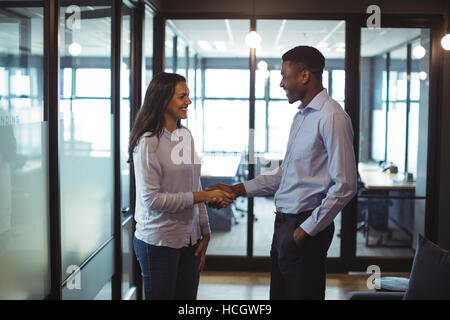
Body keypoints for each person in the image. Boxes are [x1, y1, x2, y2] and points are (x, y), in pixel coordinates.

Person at [207, 46, 357, 300]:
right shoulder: (301, 117)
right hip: (284, 226)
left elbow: (346, 185)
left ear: (305, 76)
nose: (281, 83)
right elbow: (284, 175)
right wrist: (236, 189)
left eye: (285, 76)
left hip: (304, 227)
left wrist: (305, 231)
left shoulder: (332, 117)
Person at [128, 72, 235, 300]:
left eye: (188, 96)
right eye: (182, 96)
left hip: (190, 239)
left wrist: (205, 230)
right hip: (159, 242)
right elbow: (153, 201)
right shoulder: (148, 143)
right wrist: (204, 197)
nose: (189, 101)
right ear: (163, 99)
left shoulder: (185, 135)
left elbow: (193, 183)